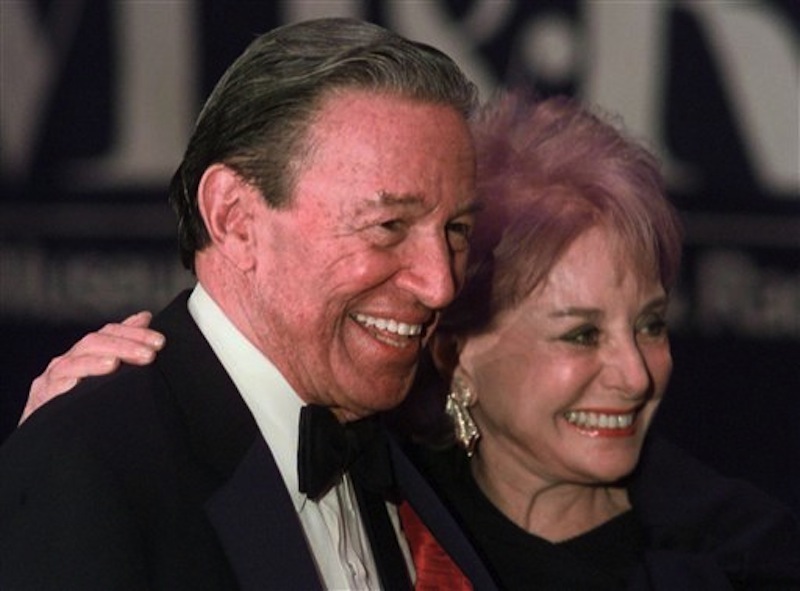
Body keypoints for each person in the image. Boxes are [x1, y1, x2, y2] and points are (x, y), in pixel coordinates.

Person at [27, 91, 800, 590]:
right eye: (580, 333)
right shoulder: (357, 482)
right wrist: (81, 430)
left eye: (651, 324)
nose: (633, 373)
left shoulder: (743, 557)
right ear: (453, 347)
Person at [0, 17, 500, 591]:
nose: (439, 284)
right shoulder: (85, 468)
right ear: (235, 219)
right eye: (388, 225)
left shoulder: (402, 464)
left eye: (456, 229)